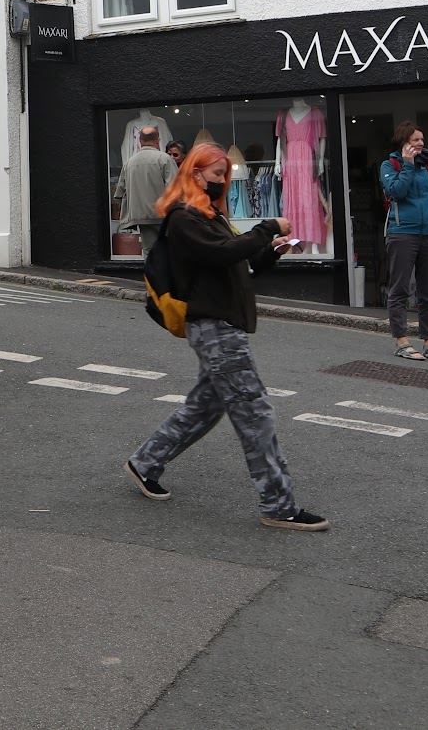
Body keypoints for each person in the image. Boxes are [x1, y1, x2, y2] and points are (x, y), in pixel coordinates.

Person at [125, 143, 328, 531]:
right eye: (217, 175)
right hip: (214, 328)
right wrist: (268, 226)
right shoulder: (185, 218)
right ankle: (279, 504)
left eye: (225, 175)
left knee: (204, 407)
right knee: (254, 412)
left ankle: (144, 462)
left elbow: (240, 261)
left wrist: (272, 250)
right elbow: (221, 255)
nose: (223, 181)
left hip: (222, 325)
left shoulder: (209, 215)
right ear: (195, 174)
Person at [379, 123, 428, 362]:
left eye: (422, 139)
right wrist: (409, 166)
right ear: (403, 141)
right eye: (415, 140)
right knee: (399, 289)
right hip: (403, 233)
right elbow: (396, 192)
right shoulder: (389, 166)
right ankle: (402, 341)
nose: (420, 143)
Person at [118, 125, 177, 254]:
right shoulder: (165, 159)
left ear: (140, 141)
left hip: (140, 216)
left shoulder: (129, 163)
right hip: (163, 214)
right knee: (171, 249)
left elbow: (120, 192)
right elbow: (175, 188)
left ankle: (151, 273)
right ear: (158, 140)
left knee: (149, 251)